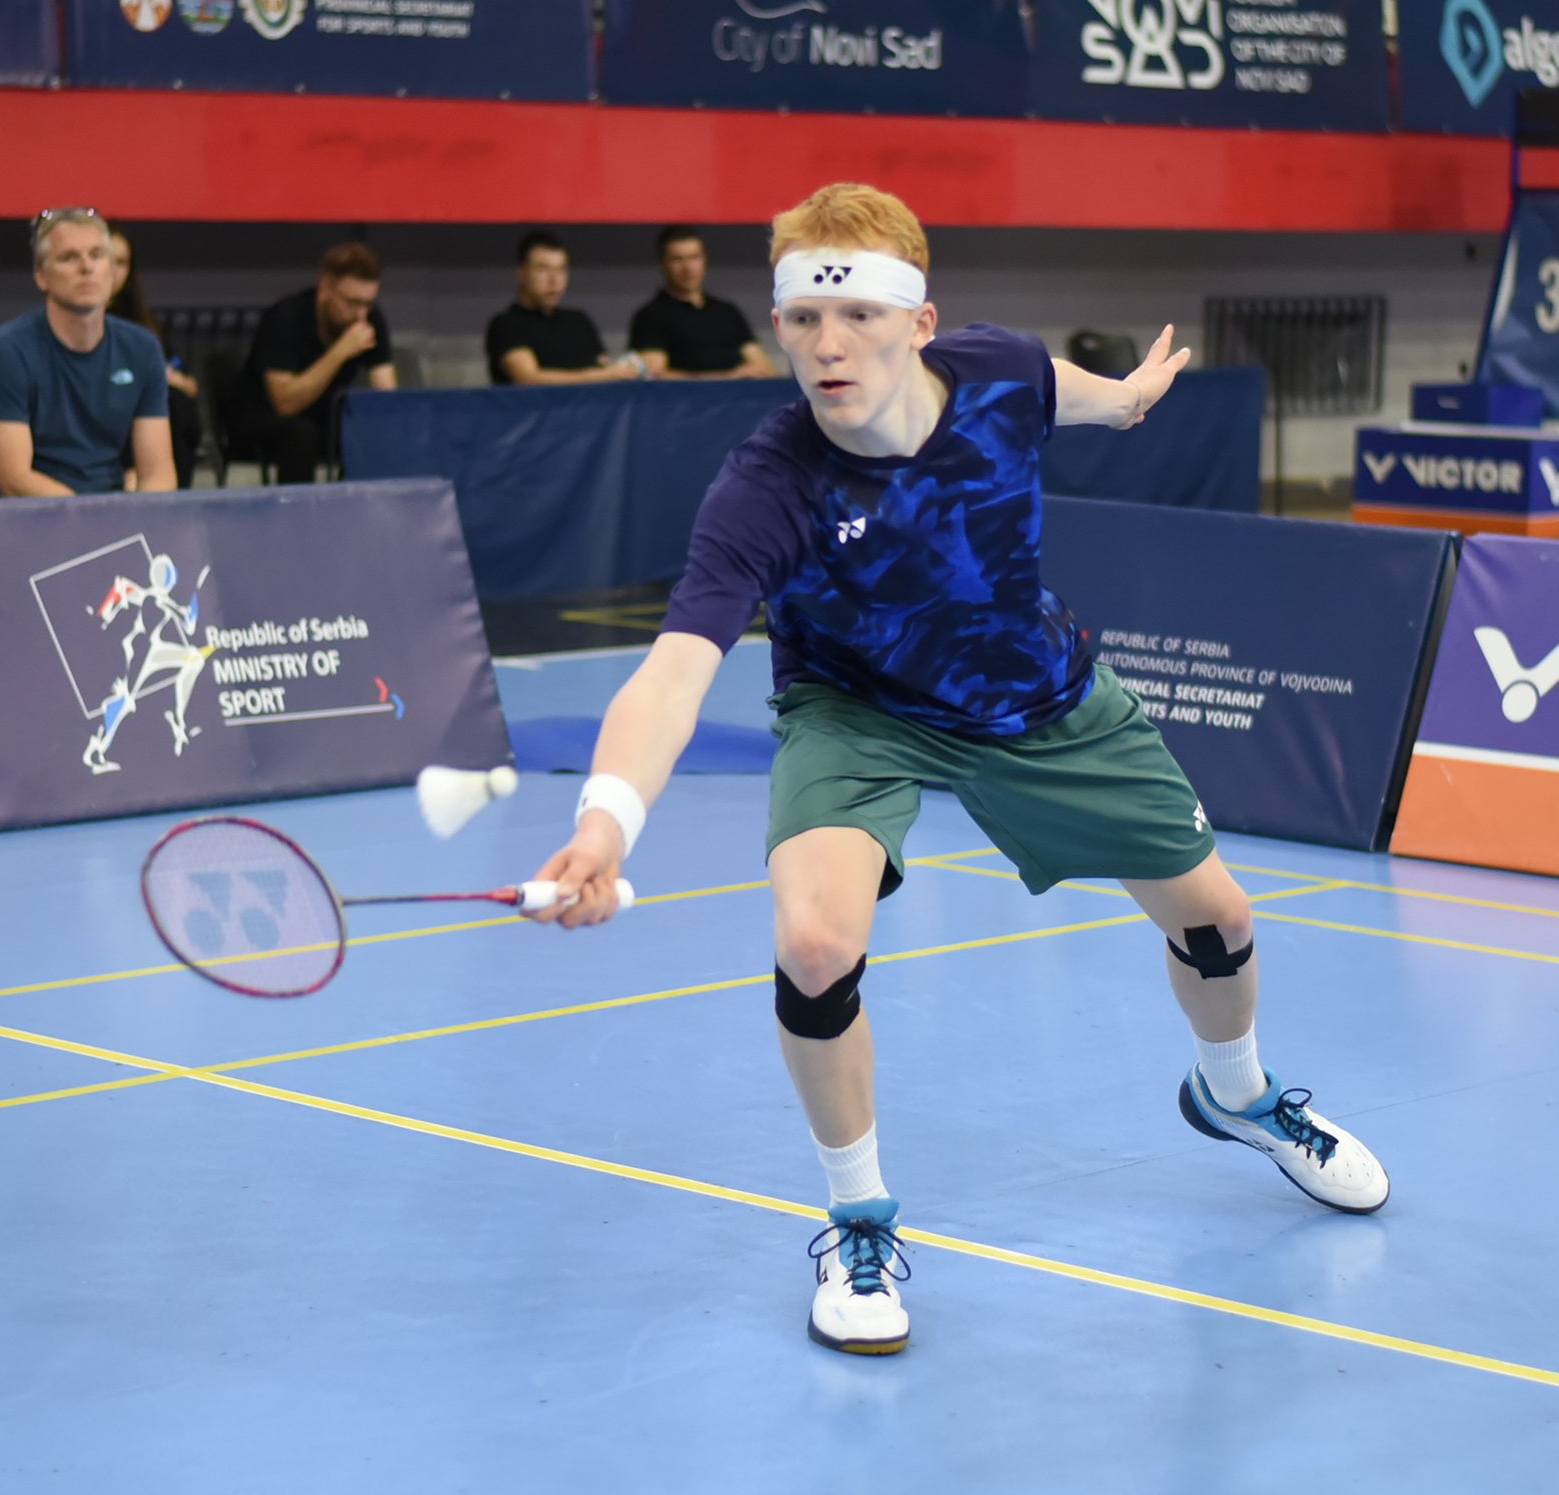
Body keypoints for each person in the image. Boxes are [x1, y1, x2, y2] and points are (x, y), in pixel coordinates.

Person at [525, 183, 1388, 1358]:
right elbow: (673, 673)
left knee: (1219, 920)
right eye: (804, 320)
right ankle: (857, 1219)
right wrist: (606, 819)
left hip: (1036, 694)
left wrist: (1127, 398)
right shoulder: (766, 485)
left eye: (860, 317)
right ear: (778, 326)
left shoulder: (999, 372)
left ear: (920, 323)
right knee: (815, 943)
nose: (830, 345)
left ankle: (1233, 1092)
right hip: (856, 712)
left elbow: (1058, 390)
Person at [0, 207, 175, 498]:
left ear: (113, 271)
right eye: (68, 257)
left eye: (97, 255)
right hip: (28, 516)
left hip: (108, 509)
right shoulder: (7, 351)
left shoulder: (142, 347)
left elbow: (158, 474)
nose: (86, 267)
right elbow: (16, 481)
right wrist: (89, 517)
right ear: (41, 275)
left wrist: (137, 513)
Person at [233, 242, 397, 485]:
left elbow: (388, 398)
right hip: (263, 419)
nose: (360, 314)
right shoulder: (285, 317)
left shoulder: (369, 319)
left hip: (325, 417)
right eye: (351, 303)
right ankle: (297, 509)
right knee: (301, 432)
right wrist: (339, 352)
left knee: (374, 428)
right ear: (325, 288)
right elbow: (285, 404)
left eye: (367, 303)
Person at [106, 227, 204, 489]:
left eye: (122, 263)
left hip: (152, 408)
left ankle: (173, 492)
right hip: (112, 410)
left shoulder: (144, 324)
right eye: (106, 258)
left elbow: (177, 369)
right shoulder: (82, 323)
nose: (113, 271)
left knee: (177, 402)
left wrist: (175, 377)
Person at [487, 231, 646, 387]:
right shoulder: (506, 324)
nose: (554, 280)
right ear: (522, 273)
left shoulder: (579, 321)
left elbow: (603, 366)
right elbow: (528, 379)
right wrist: (603, 375)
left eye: (561, 269)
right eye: (543, 269)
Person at [628, 226, 780, 379]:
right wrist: (727, 377)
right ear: (662, 264)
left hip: (739, 393)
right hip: (685, 395)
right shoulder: (650, 317)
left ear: (704, 259)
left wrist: (751, 373)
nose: (688, 268)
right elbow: (654, 376)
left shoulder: (727, 312)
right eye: (677, 260)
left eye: (694, 258)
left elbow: (766, 369)